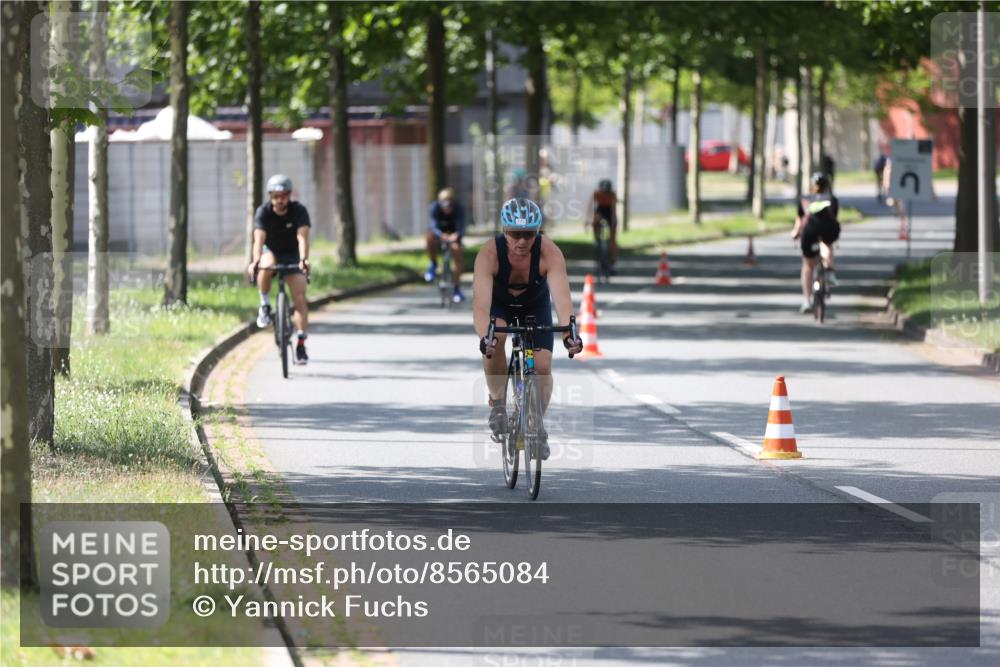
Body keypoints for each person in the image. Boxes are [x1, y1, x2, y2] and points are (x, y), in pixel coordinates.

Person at [473, 198, 583, 460]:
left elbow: (563, 300)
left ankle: (536, 426)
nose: (522, 241)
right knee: (495, 338)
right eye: (515, 234)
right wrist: (484, 339)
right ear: (504, 231)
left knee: (543, 366)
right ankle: (498, 402)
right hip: (500, 307)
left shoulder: (550, 253)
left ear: (538, 232)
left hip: (535, 306)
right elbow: (480, 307)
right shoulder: (488, 255)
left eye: (529, 234)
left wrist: (571, 336)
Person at [247, 174, 311, 364]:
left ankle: (300, 343)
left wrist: (304, 260)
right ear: (270, 196)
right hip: (271, 251)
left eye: (282, 196)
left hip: (292, 254)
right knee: (265, 265)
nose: (279, 200)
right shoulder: (263, 212)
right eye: (275, 196)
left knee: (299, 297)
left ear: (289, 195)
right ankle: (265, 305)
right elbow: (258, 240)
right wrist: (254, 261)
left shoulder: (299, 211)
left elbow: (302, 238)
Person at [791, 172, 840, 314]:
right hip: (829, 229)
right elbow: (834, 217)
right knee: (827, 243)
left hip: (810, 231)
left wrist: (795, 232)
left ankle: (807, 300)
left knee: (807, 264)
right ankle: (829, 269)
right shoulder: (832, 199)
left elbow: (801, 220)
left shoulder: (805, 199)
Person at [424, 187, 466, 303]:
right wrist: (440, 235)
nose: (447, 209)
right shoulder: (434, 208)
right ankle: (433, 264)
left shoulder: (459, 208)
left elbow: (461, 226)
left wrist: (456, 235)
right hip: (439, 233)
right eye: (444, 206)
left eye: (449, 206)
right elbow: (433, 225)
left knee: (457, 251)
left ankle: (457, 288)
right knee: (429, 237)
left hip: (453, 233)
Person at [590, 178, 619, 271]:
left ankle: (614, 262)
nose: (605, 194)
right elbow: (591, 207)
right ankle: (597, 239)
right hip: (600, 210)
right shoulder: (596, 193)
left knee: (612, 240)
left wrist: (614, 223)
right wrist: (590, 220)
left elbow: (613, 210)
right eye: (604, 192)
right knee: (595, 221)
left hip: (609, 211)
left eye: (607, 192)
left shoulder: (612, 194)